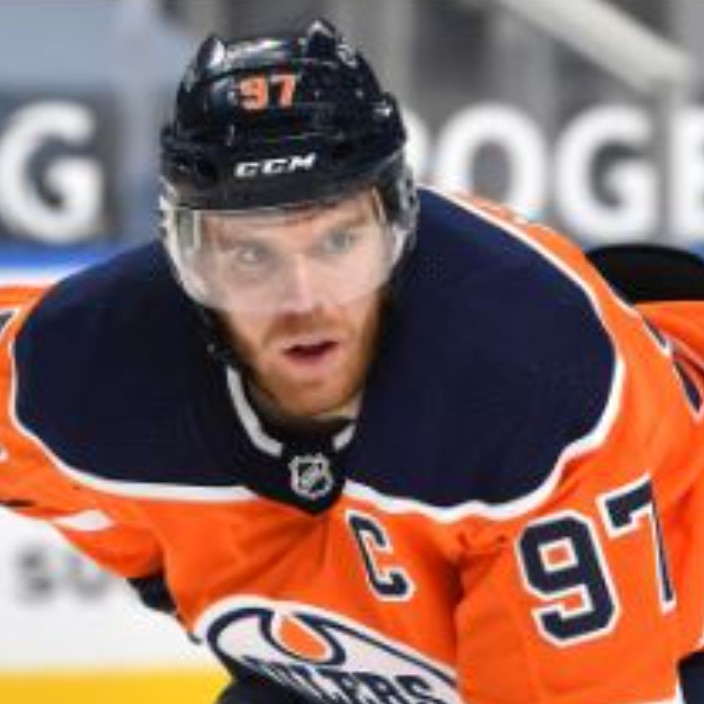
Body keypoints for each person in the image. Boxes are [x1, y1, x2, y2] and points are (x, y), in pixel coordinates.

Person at [1, 17, 703, 703]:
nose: (303, 300)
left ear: (397, 223)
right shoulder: (83, 357)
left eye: (337, 243)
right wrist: (171, 565)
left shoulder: (533, 382)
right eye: (252, 255)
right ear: (189, 261)